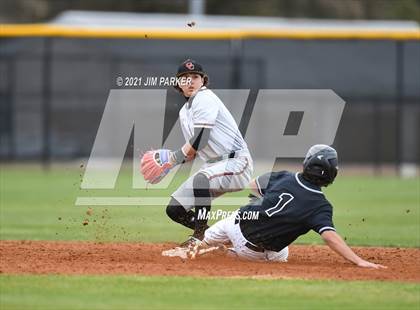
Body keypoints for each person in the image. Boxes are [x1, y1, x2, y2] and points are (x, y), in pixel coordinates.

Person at [186, 144, 386, 269]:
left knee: (203, 241)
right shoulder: (320, 206)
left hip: (235, 223)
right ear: (330, 173)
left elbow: (252, 186)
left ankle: (202, 247)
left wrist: (263, 205)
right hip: (255, 254)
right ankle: (227, 253)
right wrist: (359, 261)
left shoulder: (284, 176)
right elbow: (329, 237)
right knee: (281, 255)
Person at [162, 59, 253, 247]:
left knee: (201, 179)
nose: (190, 81)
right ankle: (220, 239)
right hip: (213, 165)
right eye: (184, 78)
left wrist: (173, 158)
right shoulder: (184, 111)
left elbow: (201, 139)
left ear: (203, 81)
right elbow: (194, 151)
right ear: (178, 84)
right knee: (175, 209)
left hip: (236, 162)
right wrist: (166, 164)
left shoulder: (204, 97)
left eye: (195, 76)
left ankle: (200, 235)